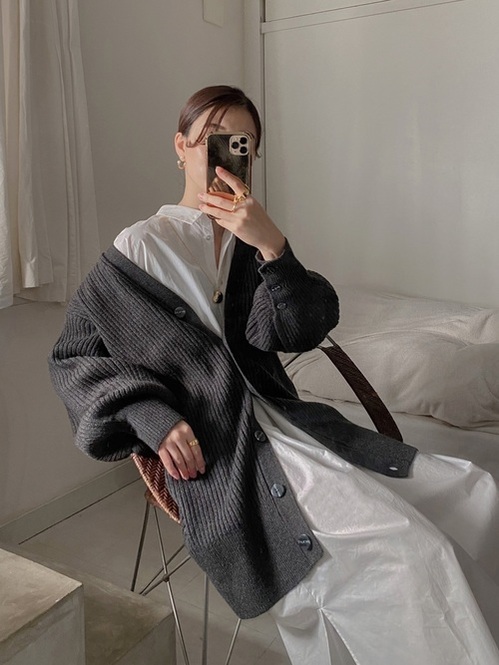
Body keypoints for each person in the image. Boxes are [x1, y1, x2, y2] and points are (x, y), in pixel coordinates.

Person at [49, 85, 499, 664]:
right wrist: (151, 417)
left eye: (243, 145)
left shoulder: (249, 243)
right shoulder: (138, 248)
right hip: (227, 453)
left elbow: (301, 328)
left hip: (292, 423)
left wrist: (272, 247)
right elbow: (74, 357)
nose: (227, 155)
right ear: (181, 147)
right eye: (213, 140)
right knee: (413, 552)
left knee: (474, 493)